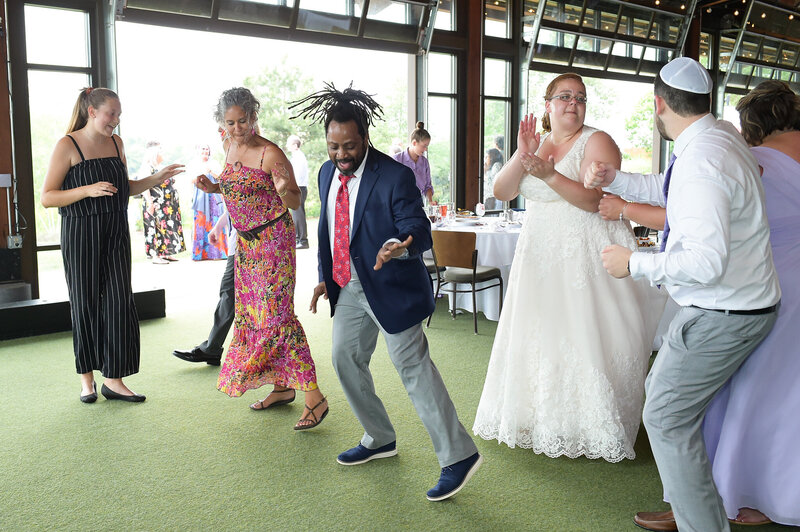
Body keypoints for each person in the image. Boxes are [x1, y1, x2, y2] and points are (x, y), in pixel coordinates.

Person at [584, 57, 781, 532]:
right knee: (669, 409)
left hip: (723, 313)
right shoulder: (716, 140)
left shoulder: (704, 159)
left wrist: (632, 263)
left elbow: (704, 262)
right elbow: (670, 189)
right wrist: (618, 180)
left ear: (658, 104)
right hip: (741, 305)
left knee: (667, 418)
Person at [293, 82, 481, 501]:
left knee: (413, 369)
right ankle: (379, 437)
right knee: (344, 358)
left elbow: (419, 227)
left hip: (391, 285)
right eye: (333, 146)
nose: (341, 155)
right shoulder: (326, 173)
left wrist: (401, 245)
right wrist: (329, 276)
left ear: (365, 138)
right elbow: (331, 229)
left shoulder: (394, 175)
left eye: (349, 146)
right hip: (348, 286)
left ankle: (458, 456)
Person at [472, 73, 663, 463]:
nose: (572, 104)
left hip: (588, 252)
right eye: (564, 97)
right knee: (543, 332)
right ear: (548, 105)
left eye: (579, 98)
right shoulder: (539, 142)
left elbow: (596, 201)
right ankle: (546, 416)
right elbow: (503, 192)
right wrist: (521, 153)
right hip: (540, 252)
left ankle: (593, 423)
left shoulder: (598, 141)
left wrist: (550, 174)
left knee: (586, 332)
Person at [41, 87, 184, 403]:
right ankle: (87, 381)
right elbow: (47, 197)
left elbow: (126, 188)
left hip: (116, 230)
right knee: (85, 302)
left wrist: (158, 177)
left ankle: (114, 380)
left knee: (119, 302)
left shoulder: (116, 143)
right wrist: (86, 190)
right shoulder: (68, 145)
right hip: (81, 232)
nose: (116, 121)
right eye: (111, 114)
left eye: (119, 115)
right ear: (92, 112)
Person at [196, 87, 327, 430]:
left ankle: (315, 397)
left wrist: (284, 189)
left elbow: (296, 201)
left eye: (243, 121)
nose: (237, 128)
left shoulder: (270, 153)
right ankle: (282, 388)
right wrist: (213, 188)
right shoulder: (228, 146)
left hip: (273, 244)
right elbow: (235, 187)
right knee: (253, 316)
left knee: (277, 319)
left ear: (254, 116)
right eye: (230, 122)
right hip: (246, 247)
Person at [172, 209, 236, 367]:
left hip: (250, 244)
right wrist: (218, 227)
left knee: (230, 293)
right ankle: (212, 348)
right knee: (229, 294)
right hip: (239, 244)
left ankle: (213, 348)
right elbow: (232, 206)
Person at [137, 140, 186, 264]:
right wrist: (150, 203)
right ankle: (156, 255)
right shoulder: (147, 167)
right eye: (160, 150)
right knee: (155, 227)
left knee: (166, 227)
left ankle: (166, 252)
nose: (162, 152)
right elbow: (144, 187)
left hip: (166, 205)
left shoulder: (159, 167)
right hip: (155, 203)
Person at [189, 144, 227, 260]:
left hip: (214, 197)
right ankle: (200, 254)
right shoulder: (194, 164)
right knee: (200, 222)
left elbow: (221, 178)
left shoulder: (214, 163)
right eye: (203, 148)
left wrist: (211, 172)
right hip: (200, 197)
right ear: (198, 150)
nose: (205, 151)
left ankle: (218, 253)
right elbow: (191, 180)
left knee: (215, 220)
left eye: (207, 148)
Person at [393, 121, 434, 204]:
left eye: (427, 146)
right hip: (400, 205)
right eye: (424, 146)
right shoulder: (397, 159)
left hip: (419, 204)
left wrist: (430, 201)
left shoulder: (424, 162)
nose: (426, 149)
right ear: (414, 143)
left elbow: (428, 187)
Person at [286, 134, 310, 249]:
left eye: (289, 143)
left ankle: (303, 240)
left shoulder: (299, 157)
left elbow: (298, 175)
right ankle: (298, 239)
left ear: (295, 145)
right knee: (296, 214)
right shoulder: (295, 157)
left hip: (299, 187)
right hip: (297, 187)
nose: (287, 146)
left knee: (298, 214)